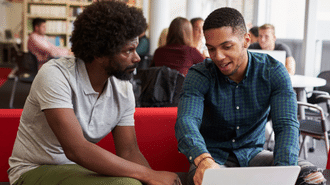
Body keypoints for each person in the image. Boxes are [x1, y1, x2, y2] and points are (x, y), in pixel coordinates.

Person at [8, 2, 181, 185]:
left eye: (135, 48)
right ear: (99, 53)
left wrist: (152, 178)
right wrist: (149, 176)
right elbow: (76, 149)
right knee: (127, 184)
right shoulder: (55, 75)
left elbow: (129, 151)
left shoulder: (123, 88)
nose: (137, 57)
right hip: (33, 169)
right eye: (128, 50)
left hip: (77, 169)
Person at [175, 7, 326, 185]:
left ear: (246, 40)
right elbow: (187, 121)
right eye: (211, 49)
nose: (218, 56)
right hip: (212, 158)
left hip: (254, 155)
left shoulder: (273, 72)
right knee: (212, 181)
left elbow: (286, 125)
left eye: (227, 46)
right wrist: (203, 160)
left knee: (313, 178)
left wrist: (284, 173)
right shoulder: (199, 75)